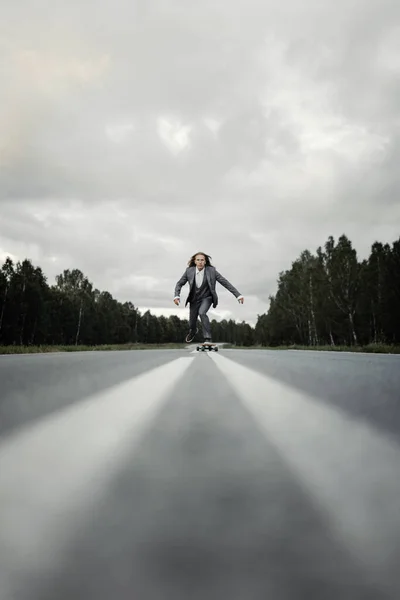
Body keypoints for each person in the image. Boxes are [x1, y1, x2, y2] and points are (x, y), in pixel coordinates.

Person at [173, 252, 244, 343]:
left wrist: (238, 295)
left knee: (202, 312)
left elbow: (225, 282)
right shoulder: (189, 271)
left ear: (205, 261)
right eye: (198, 260)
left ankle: (207, 338)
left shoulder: (212, 271)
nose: (200, 262)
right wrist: (176, 296)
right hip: (194, 299)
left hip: (207, 297)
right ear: (195, 261)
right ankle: (193, 331)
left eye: (202, 260)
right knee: (192, 322)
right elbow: (179, 284)